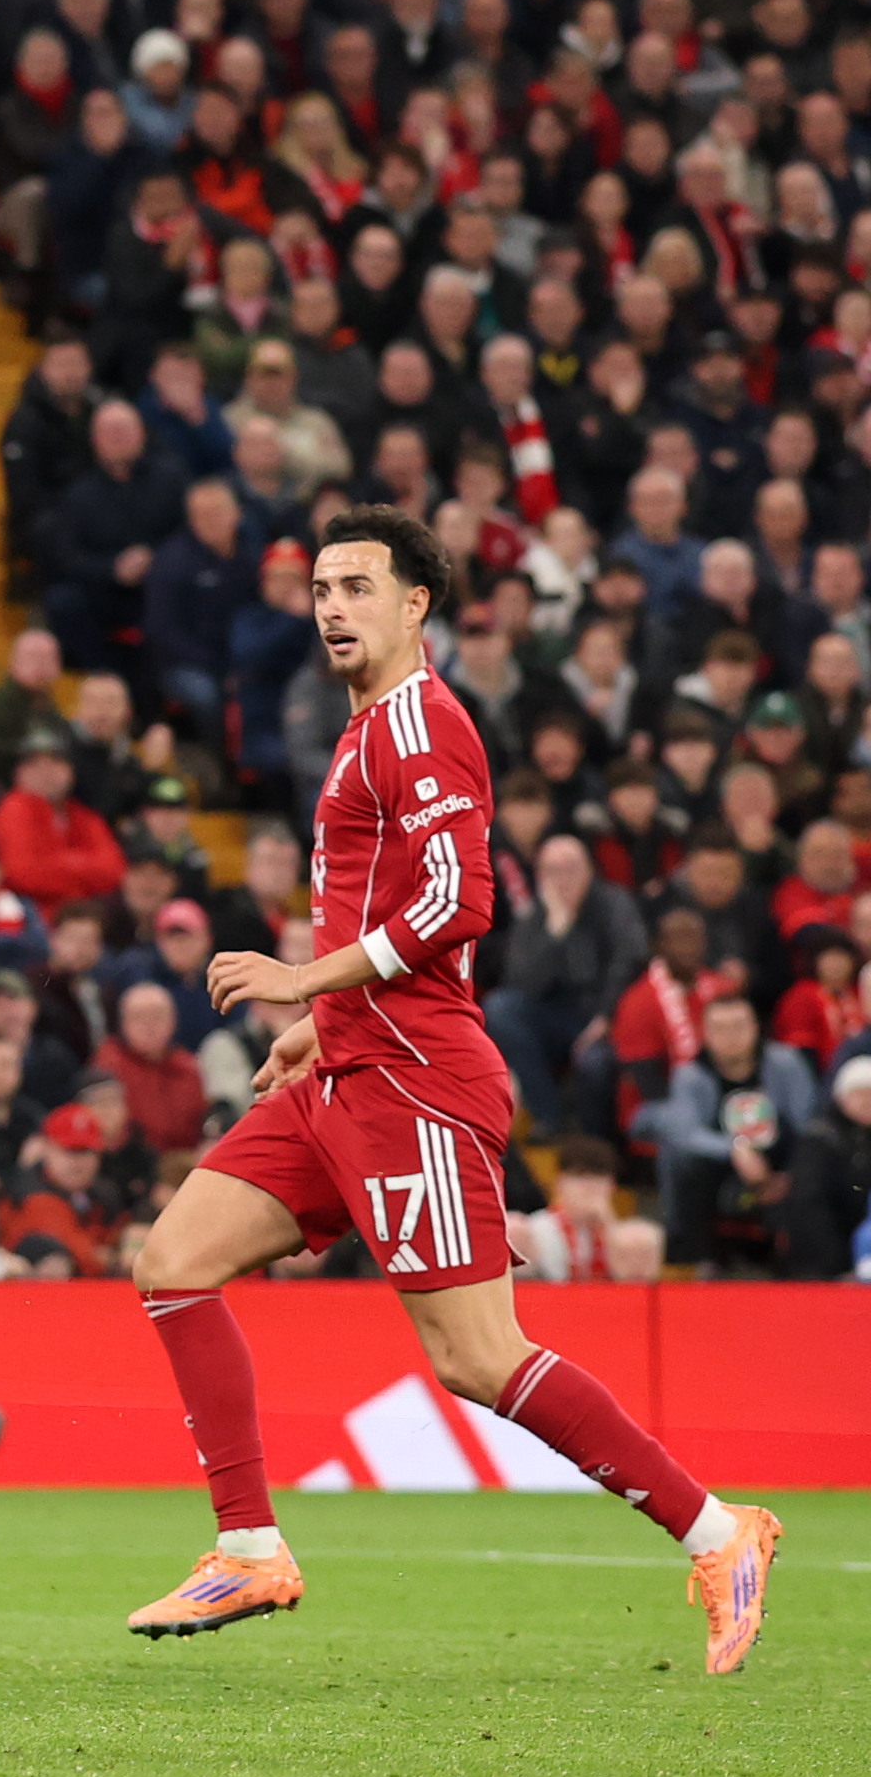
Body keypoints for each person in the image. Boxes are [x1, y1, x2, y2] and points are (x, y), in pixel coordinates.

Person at [132, 504, 780, 1673]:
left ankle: (721, 1529)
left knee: (478, 1357)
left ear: (415, 603)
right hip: (344, 1064)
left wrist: (303, 980)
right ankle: (248, 1546)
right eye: (321, 588)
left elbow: (454, 905)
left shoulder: (422, 727)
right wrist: (317, 1026)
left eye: (358, 587)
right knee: (172, 1263)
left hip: (417, 1081)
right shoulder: (365, 727)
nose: (333, 607)